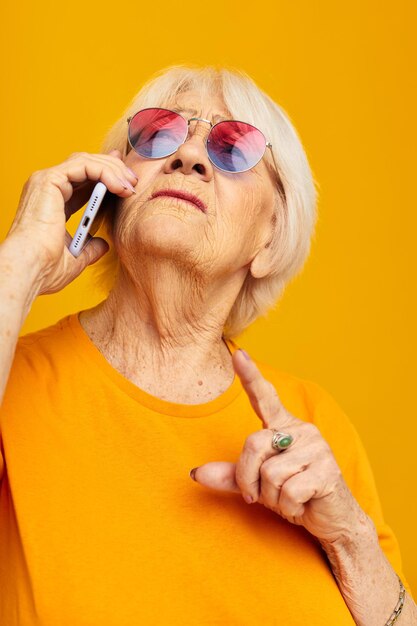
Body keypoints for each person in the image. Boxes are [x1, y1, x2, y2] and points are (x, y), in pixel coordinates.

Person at [0, 64, 415, 626]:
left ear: (270, 238)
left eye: (232, 145)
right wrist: (15, 270)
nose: (189, 156)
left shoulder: (316, 425)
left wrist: (348, 534)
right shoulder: (14, 381)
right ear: (110, 188)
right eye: (157, 133)